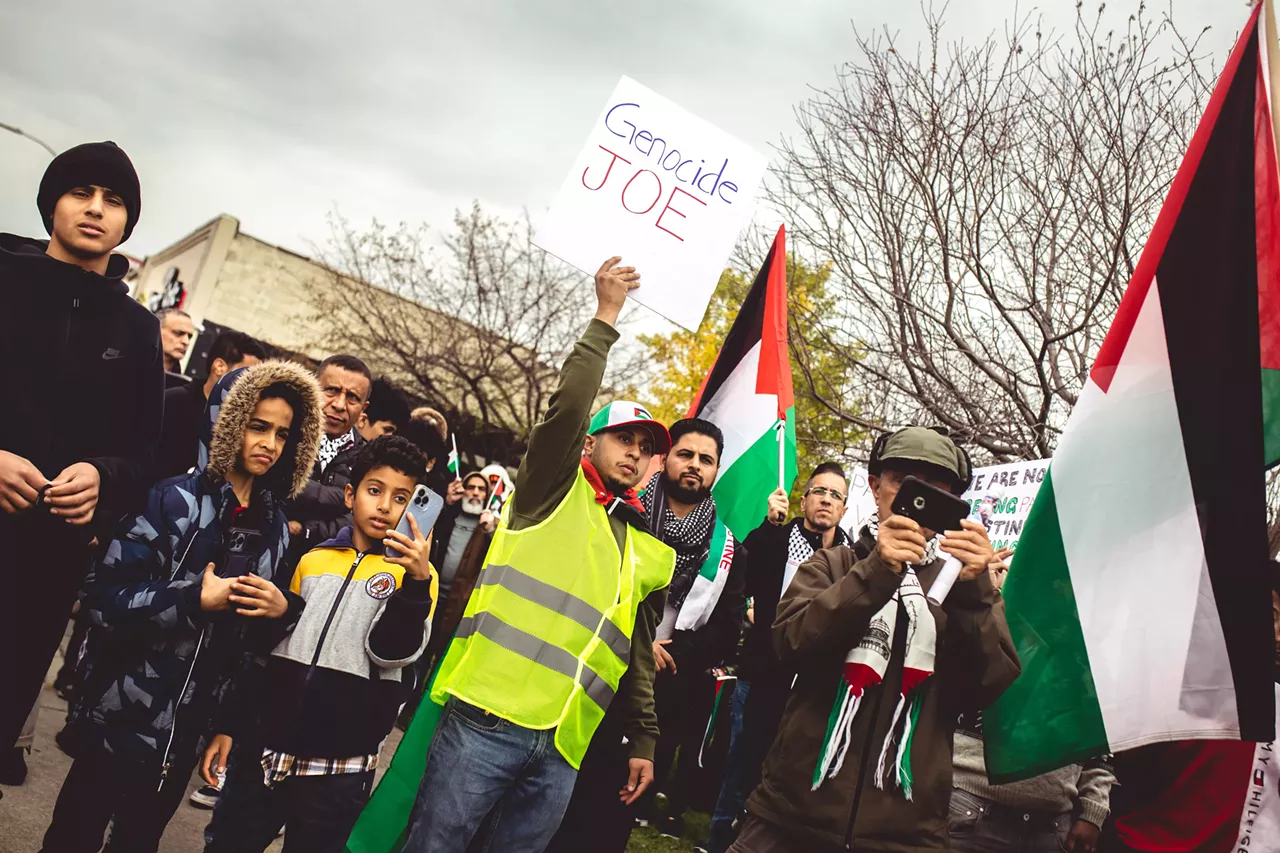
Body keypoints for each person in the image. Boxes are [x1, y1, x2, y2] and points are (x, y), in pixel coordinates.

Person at [398, 257, 677, 853]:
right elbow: (567, 409)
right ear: (593, 441)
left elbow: (638, 657)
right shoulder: (551, 486)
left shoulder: (644, 549)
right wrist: (605, 317)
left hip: (564, 745)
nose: (634, 453)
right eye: (623, 438)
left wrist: (645, 741)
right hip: (485, 721)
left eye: (646, 448)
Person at [38, 360, 323, 853]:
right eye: (257, 426)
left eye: (282, 434)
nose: (269, 444)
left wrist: (283, 612)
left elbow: (249, 651)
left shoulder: (275, 529)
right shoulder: (171, 501)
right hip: (117, 716)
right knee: (73, 836)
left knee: (138, 840)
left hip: (186, 735)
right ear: (226, 422)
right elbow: (103, 599)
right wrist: (193, 599)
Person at [728, 426, 1021, 853]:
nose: (920, 497)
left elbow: (990, 685)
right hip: (792, 817)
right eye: (904, 481)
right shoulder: (835, 563)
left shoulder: (961, 586)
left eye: (938, 487)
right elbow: (789, 643)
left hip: (904, 832)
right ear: (876, 487)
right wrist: (876, 572)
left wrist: (975, 593)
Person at [0, 140, 164, 760]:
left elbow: (146, 452)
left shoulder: (138, 330)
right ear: (51, 206)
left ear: (127, 221)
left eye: (114, 199)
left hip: (45, 564)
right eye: (81, 192)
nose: (96, 208)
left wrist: (103, 476)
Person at [203, 435, 438, 853]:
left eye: (402, 498)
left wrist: (415, 584)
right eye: (374, 490)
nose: (385, 506)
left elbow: (390, 651)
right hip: (267, 748)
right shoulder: (313, 559)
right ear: (350, 494)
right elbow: (267, 651)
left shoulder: (418, 580)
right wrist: (229, 725)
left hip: (340, 767)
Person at [548, 417, 748, 852]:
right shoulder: (622, 513)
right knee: (554, 802)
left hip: (660, 696)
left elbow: (727, 629)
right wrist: (639, 641)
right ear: (665, 458)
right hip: (589, 675)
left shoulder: (730, 549)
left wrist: (670, 651)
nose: (694, 465)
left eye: (706, 459)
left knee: (609, 818)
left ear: (716, 471)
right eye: (685, 454)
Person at [706, 462, 852, 853]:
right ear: (803, 501)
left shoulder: (852, 559)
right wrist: (768, 528)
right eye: (819, 491)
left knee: (791, 775)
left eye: (836, 495)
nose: (826, 499)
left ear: (844, 508)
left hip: (813, 687)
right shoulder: (776, 538)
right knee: (743, 763)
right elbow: (740, 579)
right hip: (762, 673)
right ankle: (721, 840)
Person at [285, 353, 372, 560]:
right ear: (313, 387)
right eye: (332, 390)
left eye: (352, 397)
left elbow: (360, 518)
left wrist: (306, 530)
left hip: (327, 568)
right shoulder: (284, 434)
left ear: (363, 408)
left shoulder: (370, 459)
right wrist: (339, 498)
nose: (340, 404)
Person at [158, 330, 267, 478]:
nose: (253, 385)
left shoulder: (244, 419)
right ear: (219, 367)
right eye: (247, 376)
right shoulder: (174, 402)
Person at [156, 306, 196, 375]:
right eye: (178, 333)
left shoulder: (182, 383)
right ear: (156, 330)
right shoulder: (132, 365)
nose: (186, 342)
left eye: (189, 337)